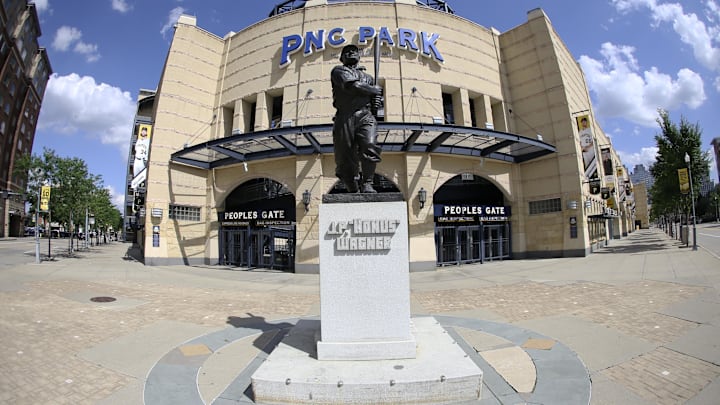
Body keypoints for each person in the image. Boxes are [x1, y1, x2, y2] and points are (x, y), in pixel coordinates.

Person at [331, 44, 383, 193]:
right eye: (347, 52)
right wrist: (373, 90)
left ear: (359, 57)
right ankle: (352, 187)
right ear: (342, 58)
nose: (351, 53)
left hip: (365, 115)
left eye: (354, 51)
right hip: (345, 116)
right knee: (345, 156)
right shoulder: (339, 71)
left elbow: (376, 101)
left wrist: (377, 101)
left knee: (370, 145)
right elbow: (352, 86)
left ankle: (367, 183)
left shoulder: (369, 78)